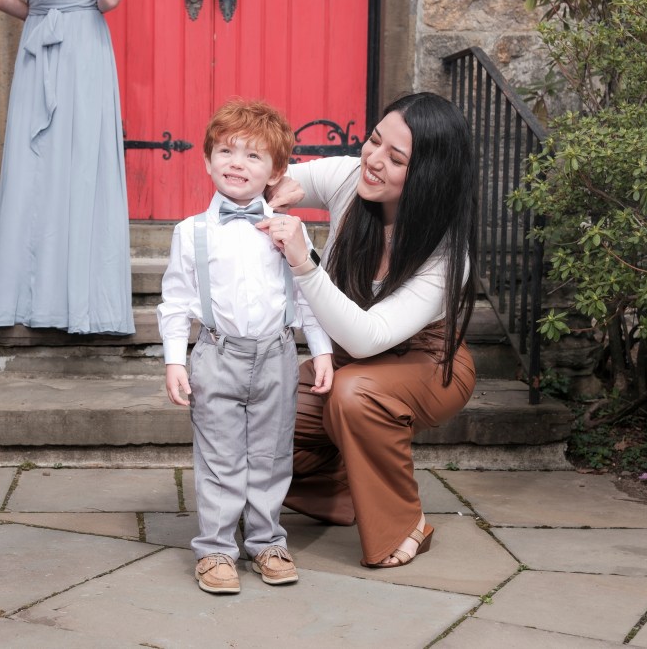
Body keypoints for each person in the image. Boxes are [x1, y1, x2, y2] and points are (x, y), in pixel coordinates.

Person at [258, 92, 477, 569]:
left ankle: (403, 523)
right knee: (257, 403)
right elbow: (282, 178)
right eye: (374, 140)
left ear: (427, 178)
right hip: (352, 361)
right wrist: (268, 187)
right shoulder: (350, 180)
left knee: (355, 394)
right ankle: (338, 492)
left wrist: (304, 263)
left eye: (395, 158)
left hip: (428, 363)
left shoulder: (445, 257)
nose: (373, 160)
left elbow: (367, 338)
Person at [157, 99, 335, 594]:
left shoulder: (290, 230)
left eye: (253, 156)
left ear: (277, 171)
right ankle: (215, 550)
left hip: (278, 354)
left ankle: (266, 541)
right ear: (208, 159)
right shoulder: (190, 232)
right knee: (219, 455)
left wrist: (319, 350)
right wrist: (174, 360)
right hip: (217, 355)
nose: (237, 163)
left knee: (272, 452)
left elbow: (307, 296)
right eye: (226, 151)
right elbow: (174, 302)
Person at [0, 0, 135, 335]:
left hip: (39, 38)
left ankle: (29, 299)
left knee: (34, 169)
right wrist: (78, 6)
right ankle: (83, 301)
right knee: (84, 164)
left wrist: (39, 11)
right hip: (83, 44)